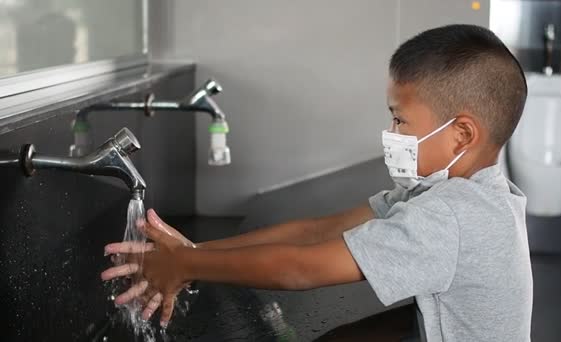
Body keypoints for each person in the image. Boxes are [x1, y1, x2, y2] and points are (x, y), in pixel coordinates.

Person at [101, 24, 532, 342]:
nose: (391, 132)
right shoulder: (463, 194)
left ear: (462, 134)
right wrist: (191, 254)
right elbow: (316, 231)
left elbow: (301, 269)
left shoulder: (450, 216)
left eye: (400, 119)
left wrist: (188, 265)